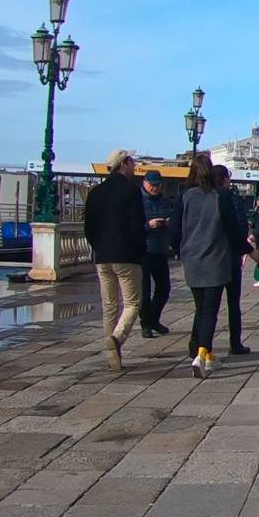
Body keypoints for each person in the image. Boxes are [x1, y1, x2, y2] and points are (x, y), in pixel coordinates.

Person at [175, 155, 247, 378]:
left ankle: (203, 351)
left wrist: (181, 251)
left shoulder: (184, 197)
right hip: (215, 260)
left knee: (201, 307)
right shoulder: (220, 196)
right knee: (210, 310)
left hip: (192, 260)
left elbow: (174, 230)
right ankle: (202, 353)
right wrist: (248, 249)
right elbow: (233, 230)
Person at [82, 149, 147, 371]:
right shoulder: (131, 191)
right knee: (132, 303)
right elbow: (136, 226)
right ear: (124, 164)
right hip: (126, 255)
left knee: (109, 305)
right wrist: (140, 251)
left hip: (102, 256)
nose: (135, 166)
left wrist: (97, 247)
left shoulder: (96, 192)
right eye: (132, 162)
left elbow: (88, 227)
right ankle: (117, 338)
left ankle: (113, 356)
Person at [212, 166, 250, 355]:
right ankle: (235, 343)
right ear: (225, 180)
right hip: (231, 255)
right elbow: (240, 227)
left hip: (212, 256)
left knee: (209, 306)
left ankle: (201, 344)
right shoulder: (230, 198)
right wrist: (246, 248)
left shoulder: (202, 196)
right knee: (233, 303)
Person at [138, 169, 174, 338]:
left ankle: (154, 318)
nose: (155, 188)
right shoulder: (137, 200)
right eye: (152, 185)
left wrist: (167, 223)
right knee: (144, 291)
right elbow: (131, 226)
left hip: (160, 250)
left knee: (164, 288)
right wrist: (148, 225)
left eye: (158, 185)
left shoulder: (164, 201)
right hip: (143, 250)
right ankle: (145, 323)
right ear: (145, 183)